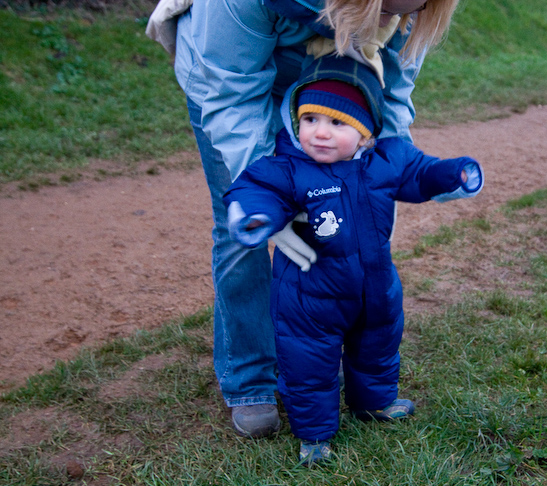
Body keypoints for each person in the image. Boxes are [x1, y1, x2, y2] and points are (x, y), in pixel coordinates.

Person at [145, 0, 461, 439]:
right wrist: (267, 197)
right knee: (241, 228)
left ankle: (340, 362)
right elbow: (231, 94)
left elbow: (392, 96)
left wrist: (395, 170)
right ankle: (250, 380)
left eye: (408, 11)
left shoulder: (411, 9)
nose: (392, 22)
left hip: (344, 95)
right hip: (233, 83)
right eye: (386, 8)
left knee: (333, 230)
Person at [223, 55, 483, 464]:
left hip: (377, 287)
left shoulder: (386, 160)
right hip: (310, 296)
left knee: (377, 347)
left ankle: (375, 402)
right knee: (309, 362)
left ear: (364, 132)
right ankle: (314, 434)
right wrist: (254, 214)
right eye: (310, 120)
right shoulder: (289, 168)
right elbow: (257, 188)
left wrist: (454, 174)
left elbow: (421, 172)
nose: (320, 134)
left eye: (337, 123)